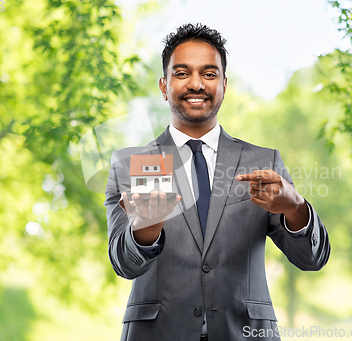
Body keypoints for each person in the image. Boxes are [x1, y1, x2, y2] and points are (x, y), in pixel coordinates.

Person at [104, 23, 330, 341]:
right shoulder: (131, 165)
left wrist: (295, 208)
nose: (196, 84)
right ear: (164, 85)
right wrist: (145, 230)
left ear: (224, 84)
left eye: (209, 74)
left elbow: (311, 258)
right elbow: (124, 264)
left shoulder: (263, 163)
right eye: (182, 73)